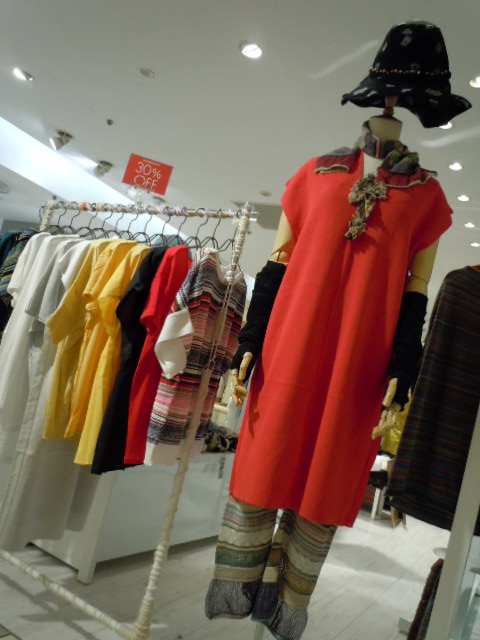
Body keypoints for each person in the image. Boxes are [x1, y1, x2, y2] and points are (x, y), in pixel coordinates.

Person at [205, 22, 471, 640]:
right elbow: (277, 266)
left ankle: (284, 605)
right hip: (289, 347)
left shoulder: (426, 197)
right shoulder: (315, 174)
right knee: (266, 461)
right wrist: (250, 341)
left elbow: (416, 294)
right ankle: (238, 590)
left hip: (360, 364)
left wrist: (403, 366)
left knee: (325, 480)